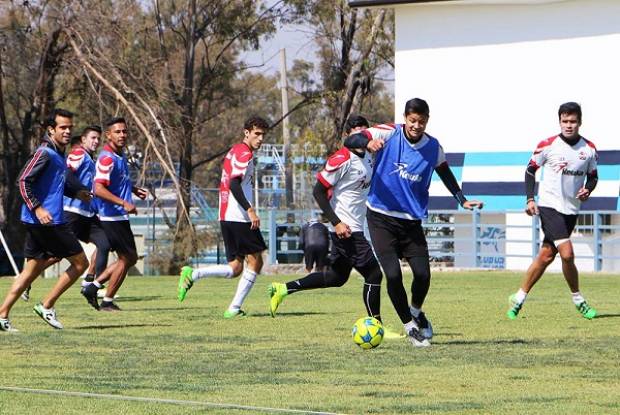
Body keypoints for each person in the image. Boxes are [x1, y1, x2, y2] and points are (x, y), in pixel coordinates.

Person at [344, 98, 483, 347]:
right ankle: (410, 328)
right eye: (412, 120)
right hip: (380, 218)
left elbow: (444, 171)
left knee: (423, 275)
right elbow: (350, 140)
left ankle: (417, 313)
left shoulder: (433, 147)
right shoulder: (387, 133)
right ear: (405, 118)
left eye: (421, 121)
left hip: (411, 222)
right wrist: (367, 142)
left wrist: (462, 199)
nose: (416, 126)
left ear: (427, 120)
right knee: (394, 275)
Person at [268, 115, 387, 325]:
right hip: (347, 229)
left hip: (353, 227)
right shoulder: (341, 158)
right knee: (375, 274)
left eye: (365, 132)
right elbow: (318, 192)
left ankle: (283, 289)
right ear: (348, 135)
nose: (362, 137)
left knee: (336, 278)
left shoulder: (369, 157)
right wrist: (336, 222)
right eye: (357, 133)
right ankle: (376, 325)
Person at [0, 108, 91, 332]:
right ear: (51, 130)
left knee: (30, 271)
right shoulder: (44, 153)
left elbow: (51, 186)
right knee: (81, 264)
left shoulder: (58, 155)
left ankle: (2, 315)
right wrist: (38, 208)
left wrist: (76, 193)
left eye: (70, 127)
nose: (68, 131)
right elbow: (23, 181)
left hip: (41, 221)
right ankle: (46, 305)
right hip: (48, 221)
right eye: (63, 127)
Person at [507, 102, 598, 320]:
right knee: (567, 253)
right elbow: (530, 171)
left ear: (580, 122)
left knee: (547, 255)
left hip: (571, 210)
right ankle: (578, 299)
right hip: (549, 206)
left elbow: (593, 176)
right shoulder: (548, 145)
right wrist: (530, 198)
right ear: (559, 122)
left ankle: (518, 297)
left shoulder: (589, 149)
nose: (569, 125)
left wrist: (588, 189)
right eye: (565, 121)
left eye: (573, 121)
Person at [177, 116, 269, 318]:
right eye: (257, 134)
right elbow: (234, 184)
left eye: (263, 134)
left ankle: (193, 274)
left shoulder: (235, 150)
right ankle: (234, 308)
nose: (261, 138)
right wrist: (250, 209)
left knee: (236, 267)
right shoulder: (244, 153)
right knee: (256, 261)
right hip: (238, 215)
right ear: (247, 132)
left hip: (227, 214)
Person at [80, 117, 147, 312]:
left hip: (117, 216)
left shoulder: (119, 156)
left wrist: (133, 190)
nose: (122, 135)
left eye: (124, 131)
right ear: (108, 135)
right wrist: (124, 202)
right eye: (117, 132)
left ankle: (95, 289)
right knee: (128, 258)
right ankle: (102, 296)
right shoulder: (107, 157)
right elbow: (99, 188)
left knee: (128, 258)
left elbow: (115, 182)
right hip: (112, 217)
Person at [63, 127, 112, 288]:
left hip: (87, 215)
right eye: (93, 138)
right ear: (83, 139)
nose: (96, 141)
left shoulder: (91, 160)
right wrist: (81, 190)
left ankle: (92, 283)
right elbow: (66, 174)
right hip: (72, 213)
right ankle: (26, 280)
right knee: (55, 255)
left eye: (98, 138)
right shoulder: (78, 153)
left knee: (105, 242)